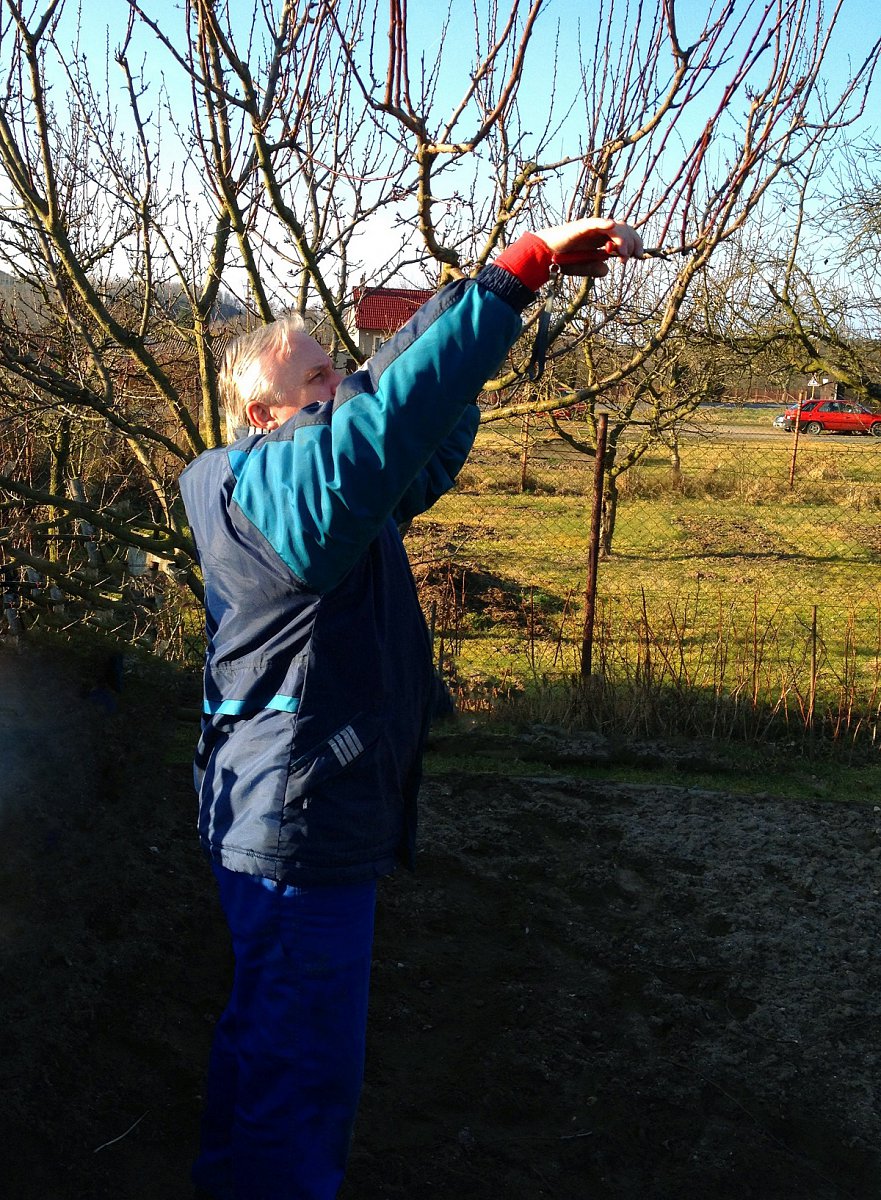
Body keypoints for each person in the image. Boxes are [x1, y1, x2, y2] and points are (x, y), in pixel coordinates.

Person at [179, 215, 643, 1200]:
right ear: (259, 415)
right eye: (311, 381)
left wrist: (497, 292)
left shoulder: (309, 490)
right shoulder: (281, 495)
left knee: (265, 1047)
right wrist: (513, 273)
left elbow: (406, 422)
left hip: (288, 812)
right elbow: (383, 415)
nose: (335, 383)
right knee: (302, 1082)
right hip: (300, 830)